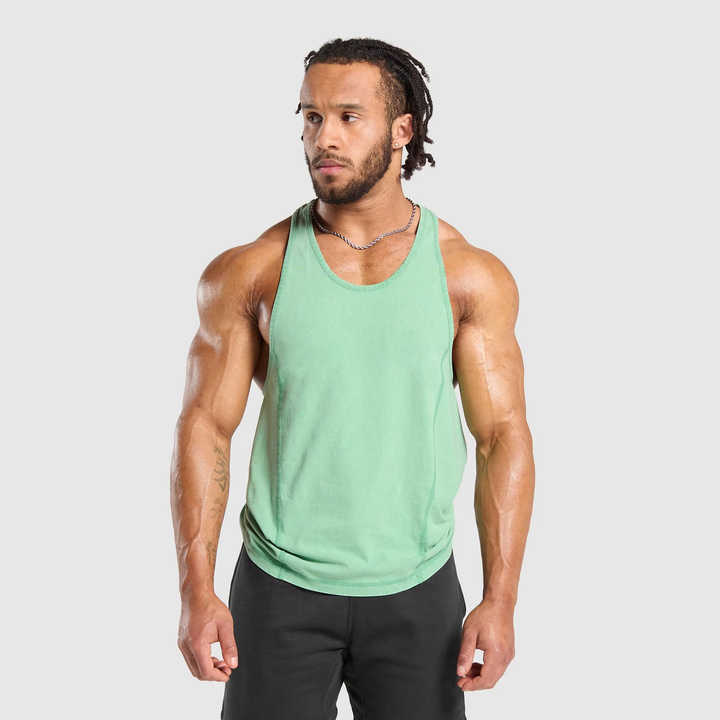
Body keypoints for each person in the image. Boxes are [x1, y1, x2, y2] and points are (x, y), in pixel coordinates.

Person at [170, 37, 535, 720]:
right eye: (311, 117)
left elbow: (502, 438)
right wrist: (196, 590)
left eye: (348, 117)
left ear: (402, 130)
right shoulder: (253, 271)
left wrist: (501, 599)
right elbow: (206, 429)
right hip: (278, 589)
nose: (324, 138)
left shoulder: (466, 276)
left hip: (418, 590)